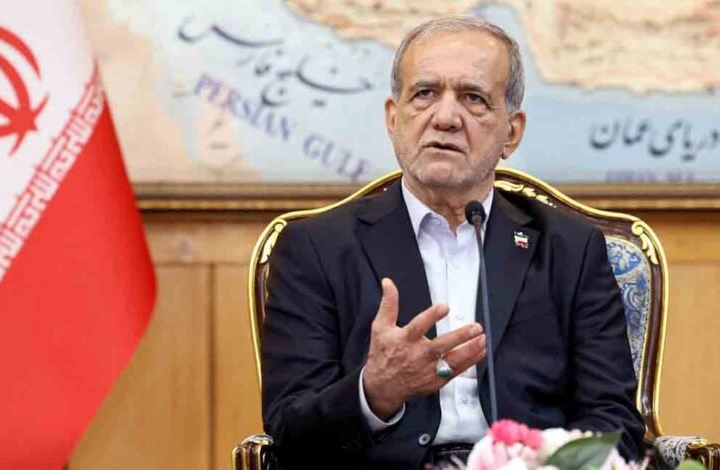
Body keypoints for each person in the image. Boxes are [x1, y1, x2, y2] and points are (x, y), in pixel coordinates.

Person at [261, 16, 644, 469]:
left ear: (511, 132)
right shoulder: (316, 248)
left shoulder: (569, 250)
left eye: (473, 98)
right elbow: (289, 432)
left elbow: (612, 423)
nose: (444, 118)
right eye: (424, 93)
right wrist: (374, 392)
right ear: (393, 118)